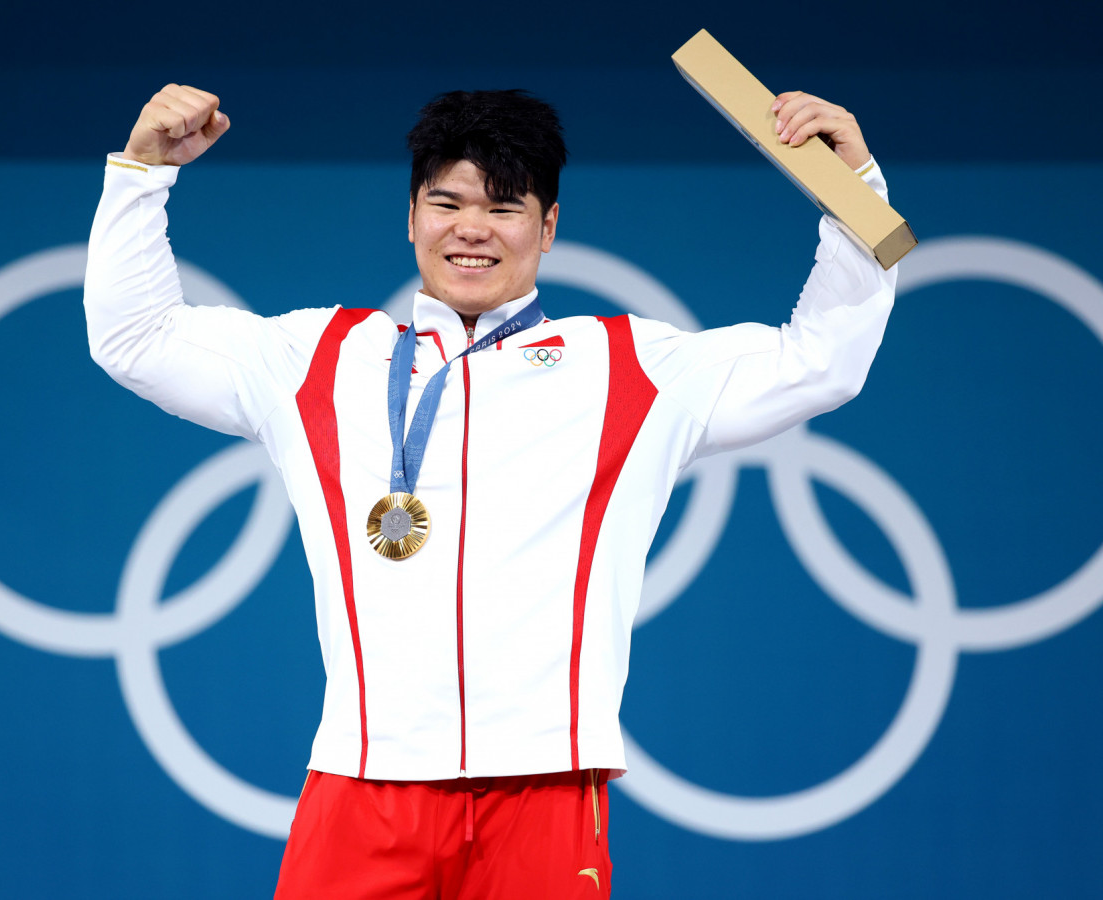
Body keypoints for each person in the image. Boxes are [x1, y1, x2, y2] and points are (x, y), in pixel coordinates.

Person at [84, 83, 895, 898]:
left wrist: (854, 187)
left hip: (544, 790)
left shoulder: (628, 371)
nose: (472, 228)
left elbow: (819, 362)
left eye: (505, 207)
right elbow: (135, 337)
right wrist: (142, 174)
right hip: (363, 782)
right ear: (410, 218)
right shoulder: (318, 360)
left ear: (547, 229)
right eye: (446, 202)